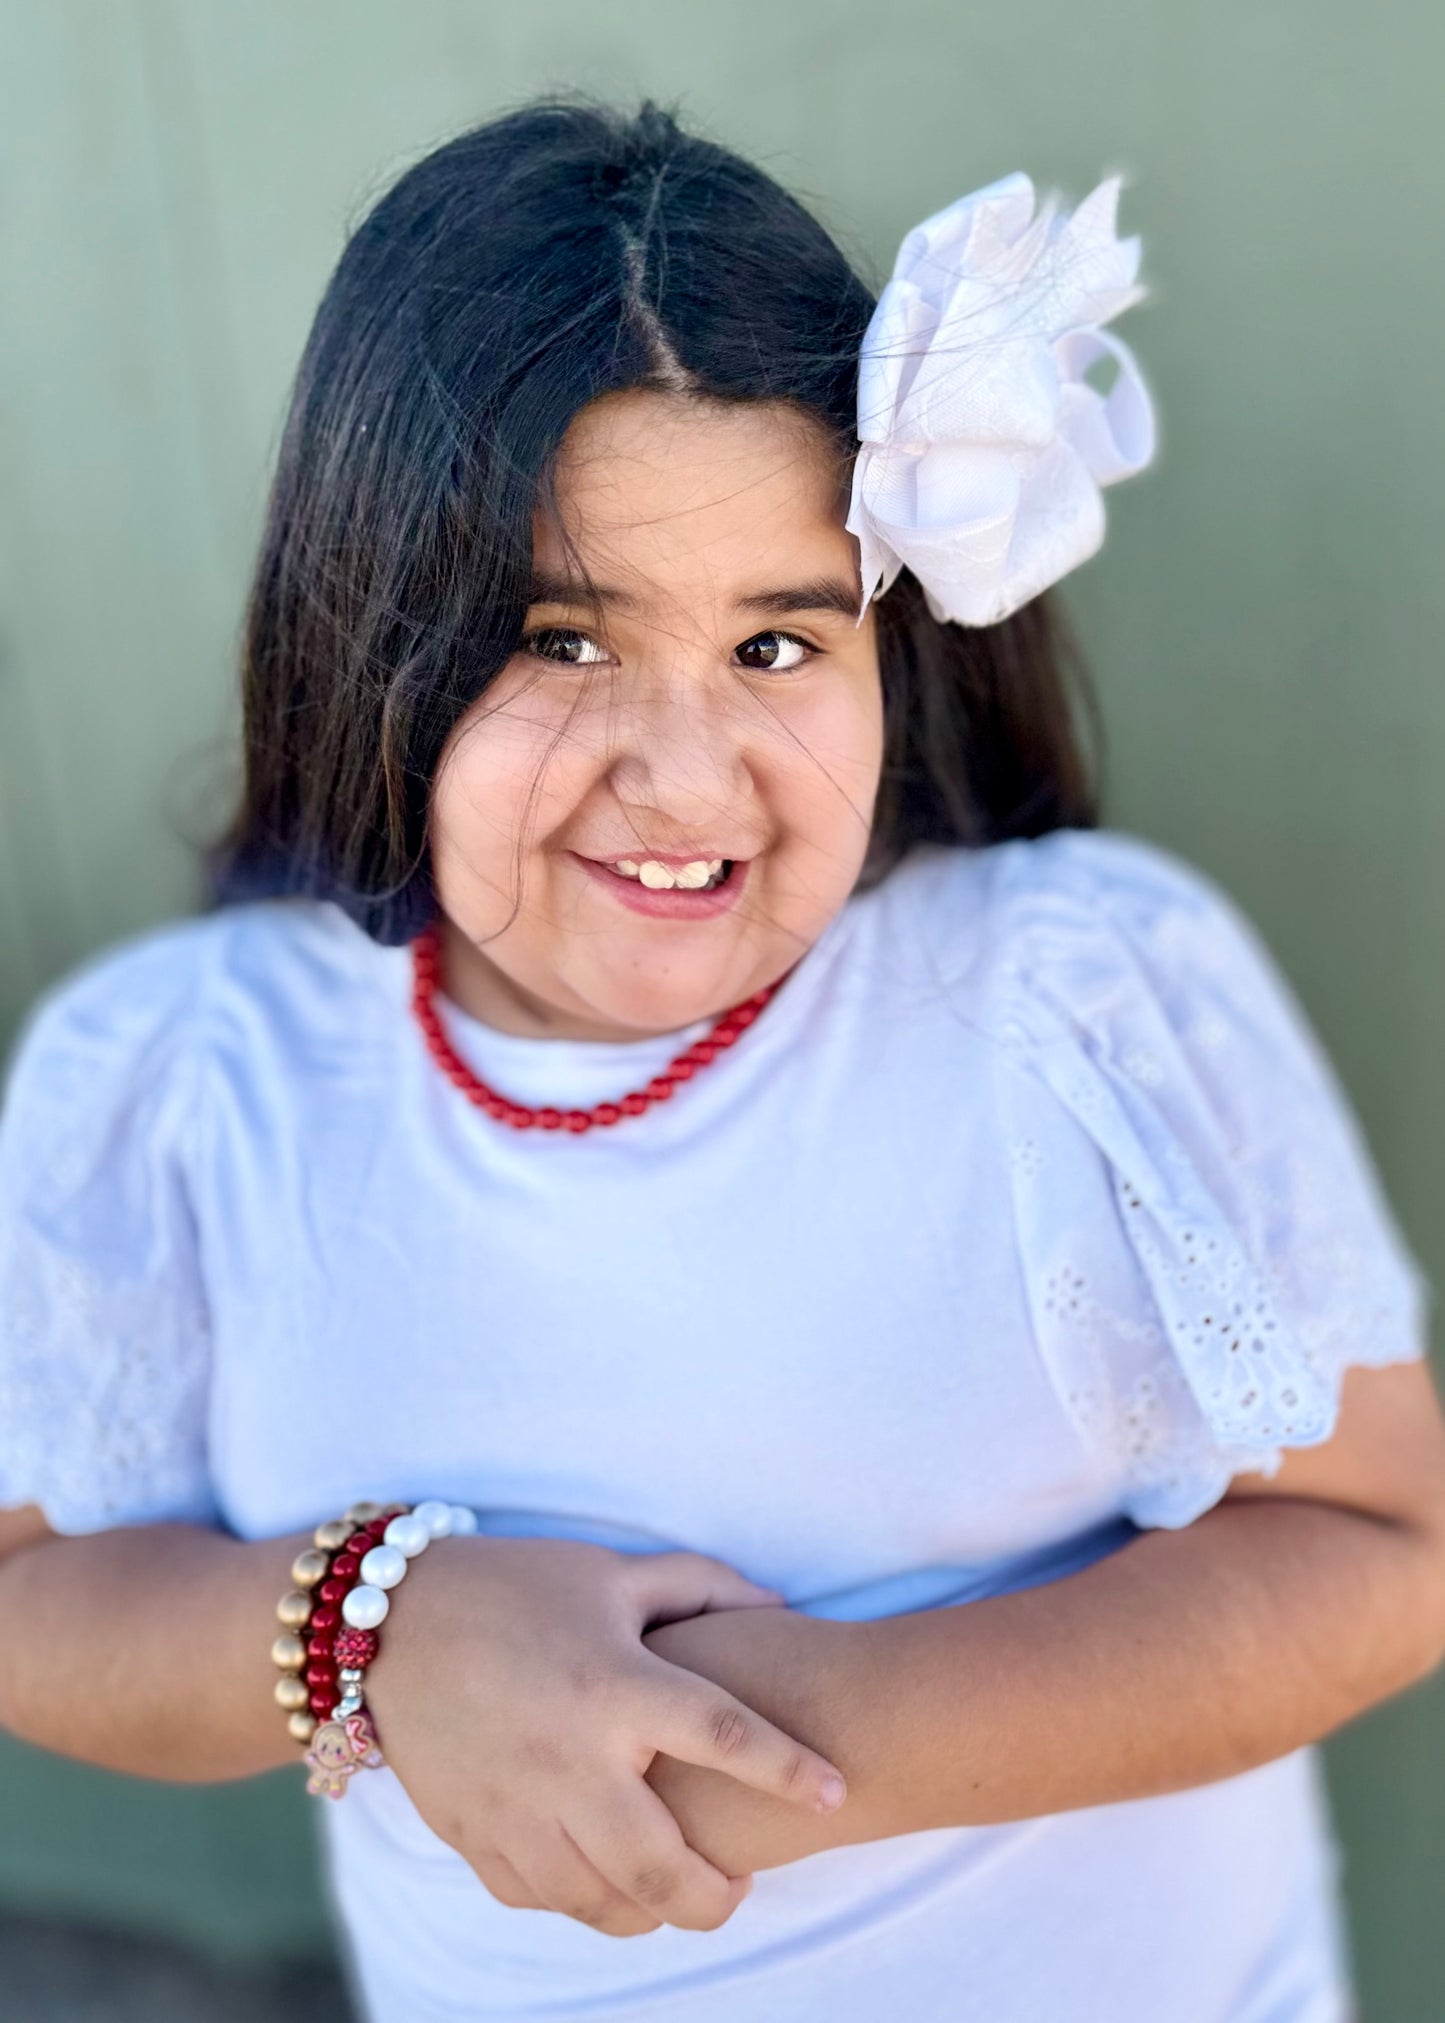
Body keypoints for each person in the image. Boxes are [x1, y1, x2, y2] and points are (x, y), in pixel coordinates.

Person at [0, 96, 1441, 2023]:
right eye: (560, 639)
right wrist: (374, 1632)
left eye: (779, 647)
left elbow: (1377, 1540)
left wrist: (791, 1739)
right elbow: (32, 1587)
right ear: (368, 640)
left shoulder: (1080, 995)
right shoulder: (184, 1079)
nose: (685, 781)